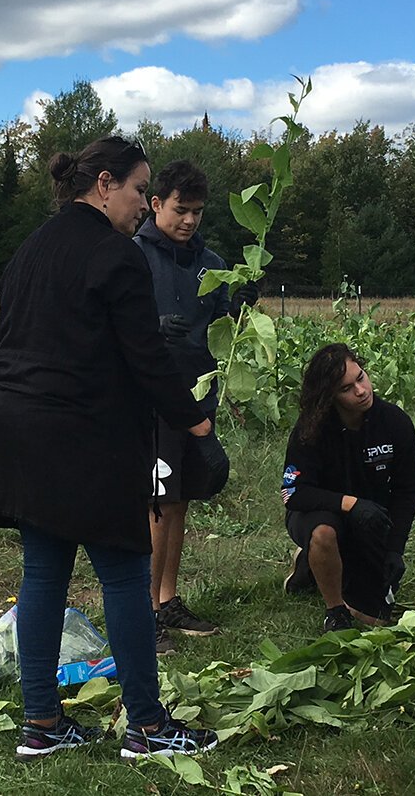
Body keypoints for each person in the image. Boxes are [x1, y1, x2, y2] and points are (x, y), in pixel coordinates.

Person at [0, 135, 225, 762]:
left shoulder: (31, 248)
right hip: (82, 434)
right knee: (121, 568)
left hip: (15, 428)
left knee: (44, 572)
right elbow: (147, 360)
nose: (145, 205)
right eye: (142, 190)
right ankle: (146, 724)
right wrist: (198, 428)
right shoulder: (116, 255)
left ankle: (40, 721)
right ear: (105, 183)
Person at [133, 159, 257, 652]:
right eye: (180, 210)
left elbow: (227, 327)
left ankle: (168, 598)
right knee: (157, 503)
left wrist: (243, 300)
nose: (189, 221)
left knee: (181, 497)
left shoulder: (214, 263)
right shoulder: (134, 256)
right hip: (153, 399)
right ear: (157, 204)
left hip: (199, 398)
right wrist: (151, 326)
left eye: (198, 213)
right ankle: (144, 608)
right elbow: (113, 322)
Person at [279, 343, 415, 632]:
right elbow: (293, 493)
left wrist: (395, 550)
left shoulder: (395, 422)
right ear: (329, 397)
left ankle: (311, 565)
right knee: (324, 533)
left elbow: (408, 491)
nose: (361, 390)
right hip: (320, 513)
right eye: (346, 388)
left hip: (372, 520)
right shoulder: (311, 430)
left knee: (376, 618)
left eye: (361, 377)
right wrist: (350, 504)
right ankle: (335, 610)